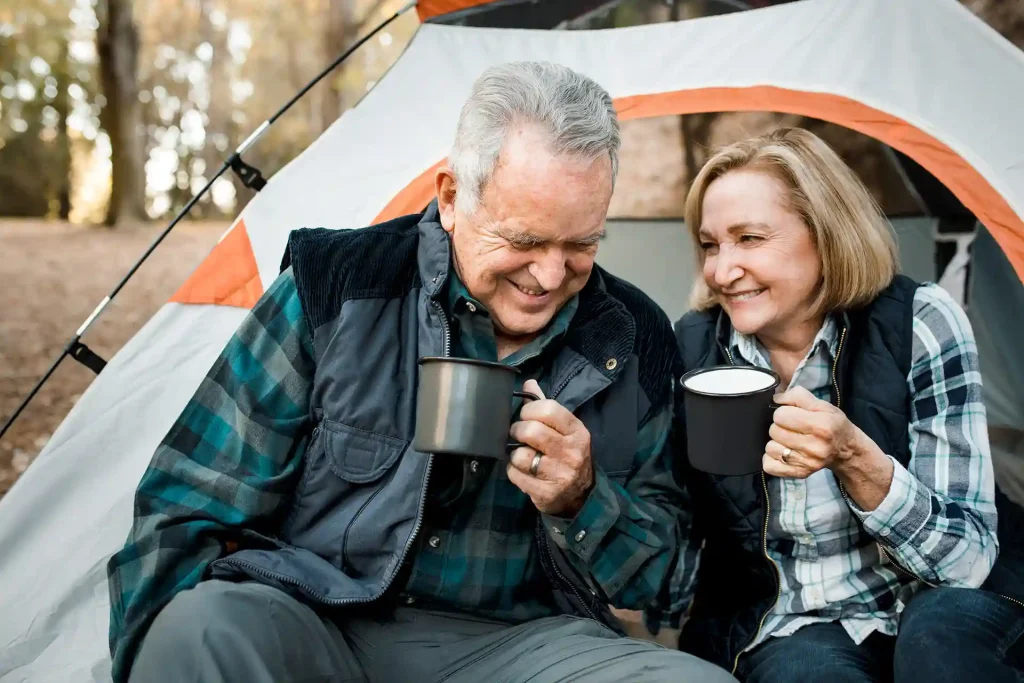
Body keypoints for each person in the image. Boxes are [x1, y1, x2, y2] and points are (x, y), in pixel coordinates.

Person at [105, 61, 737, 683]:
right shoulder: (338, 288)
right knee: (202, 628)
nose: (549, 277)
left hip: (524, 647)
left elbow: (671, 584)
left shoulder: (631, 336)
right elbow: (186, 506)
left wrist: (584, 499)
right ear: (453, 198)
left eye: (581, 245)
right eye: (523, 241)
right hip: (315, 614)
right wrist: (160, 653)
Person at [648, 127, 1024, 682]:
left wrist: (855, 458)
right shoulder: (691, 353)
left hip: (942, 595)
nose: (720, 271)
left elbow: (966, 565)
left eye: (750, 238)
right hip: (787, 618)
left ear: (826, 235)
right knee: (809, 673)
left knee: (938, 647)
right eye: (710, 244)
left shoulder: (920, 321)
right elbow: (672, 580)